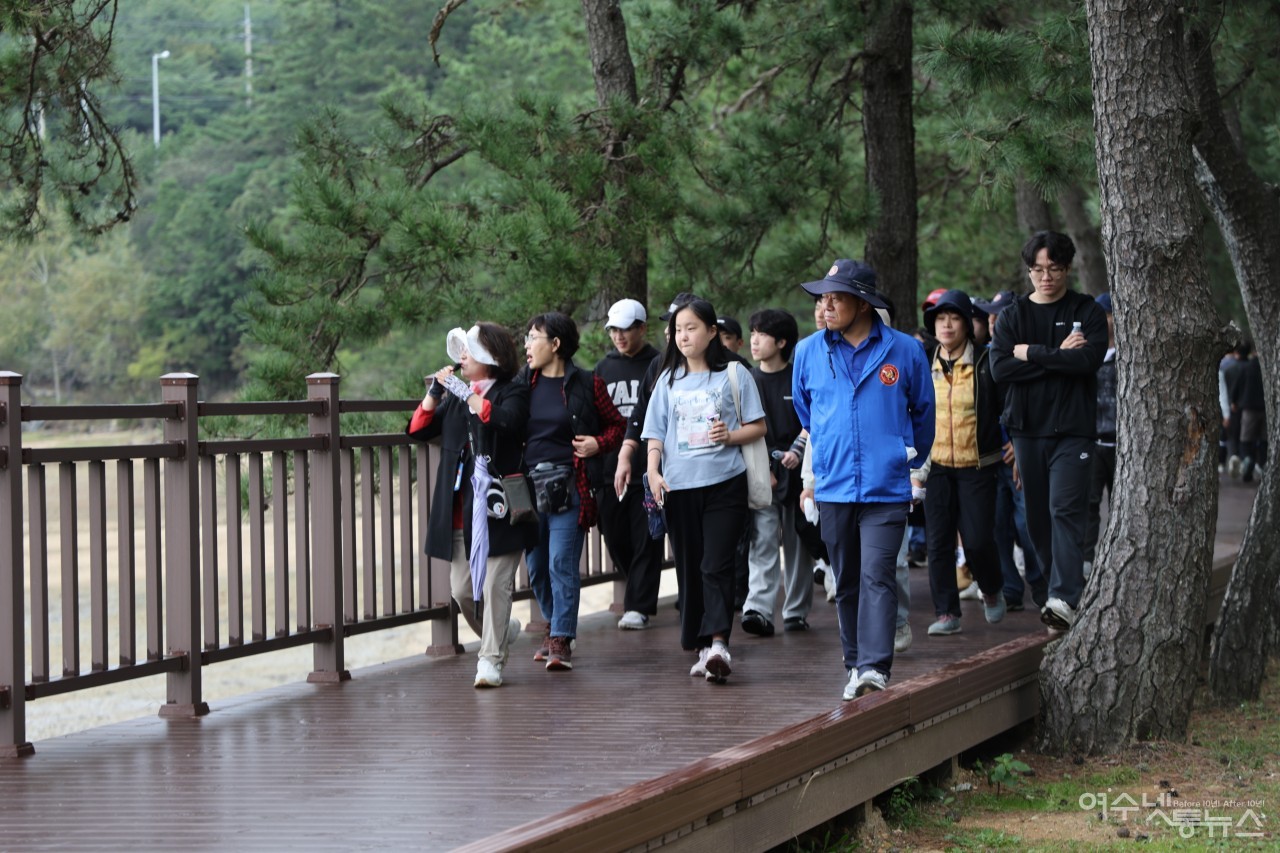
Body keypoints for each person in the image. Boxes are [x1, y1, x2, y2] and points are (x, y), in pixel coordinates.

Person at [793, 259, 934, 700]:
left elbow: (924, 414)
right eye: (823, 297)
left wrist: (904, 458)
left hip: (886, 486)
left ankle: (874, 666)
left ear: (864, 302)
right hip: (834, 485)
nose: (825, 305)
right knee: (847, 577)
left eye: (836, 296)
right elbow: (806, 411)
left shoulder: (904, 350)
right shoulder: (808, 351)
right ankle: (855, 662)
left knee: (877, 573)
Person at [643, 298, 766, 684]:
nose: (683, 336)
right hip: (680, 488)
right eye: (678, 329)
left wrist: (729, 436)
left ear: (712, 331)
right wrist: (652, 470)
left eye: (692, 327)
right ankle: (701, 648)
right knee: (690, 568)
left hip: (725, 484)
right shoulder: (667, 380)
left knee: (716, 564)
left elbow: (758, 426)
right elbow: (655, 433)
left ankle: (718, 643)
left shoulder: (734, 373)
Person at [990, 231, 1107, 631]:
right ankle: (1054, 596)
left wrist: (1033, 353)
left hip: (1073, 431)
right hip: (1026, 431)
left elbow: (1088, 361)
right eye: (1038, 270)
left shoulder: (1086, 310)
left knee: (1066, 510)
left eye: (1054, 269)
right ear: (1029, 272)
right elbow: (1000, 369)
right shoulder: (1013, 316)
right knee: (1037, 519)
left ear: (1067, 269)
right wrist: (1060, 356)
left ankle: (1063, 596)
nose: (1046, 277)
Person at [406, 323, 533, 689]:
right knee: (463, 592)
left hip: (502, 508)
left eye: (469, 352)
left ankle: (490, 660)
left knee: (495, 585)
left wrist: (465, 393)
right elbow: (417, 430)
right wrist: (434, 393)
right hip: (462, 512)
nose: (461, 358)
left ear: (490, 358)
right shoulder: (456, 399)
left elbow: (506, 420)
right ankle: (502, 631)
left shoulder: (513, 391)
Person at [521, 311, 626, 670]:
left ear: (555, 344)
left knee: (560, 563)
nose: (527, 345)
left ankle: (562, 638)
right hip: (528, 488)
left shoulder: (586, 382)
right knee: (535, 567)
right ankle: (554, 626)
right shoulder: (525, 383)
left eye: (534, 337)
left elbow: (618, 425)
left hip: (570, 484)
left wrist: (598, 443)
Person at [918, 290, 1007, 636]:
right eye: (941, 319)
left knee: (978, 539)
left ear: (968, 325)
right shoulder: (924, 360)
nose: (947, 325)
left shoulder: (987, 360)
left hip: (978, 464)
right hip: (935, 464)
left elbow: (1005, 404)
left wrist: (1010, 440)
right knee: (938, 541)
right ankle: (946, 613)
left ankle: (991, 586)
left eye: (954, 318)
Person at [740, 308, 813, 636]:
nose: (754, 340)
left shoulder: (799, 375)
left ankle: (796, 611)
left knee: (798, 543)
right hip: (761, 474)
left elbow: (812, 422)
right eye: (752, 333)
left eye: (762, 334)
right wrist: (764, 467)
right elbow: (744, 429)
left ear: (782, 341)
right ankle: (758, 609)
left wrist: (796, 453)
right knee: (763, 540)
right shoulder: (747, 379)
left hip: (798, 474)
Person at [593, 299, 664, 629]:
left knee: (647, 540)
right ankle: (636, 591)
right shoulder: (602, 369)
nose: (619, 336)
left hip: (649, 469)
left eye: (626, 329)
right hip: (610, 468)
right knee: (614, 534)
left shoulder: (660, 364)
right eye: (613, 330)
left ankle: (638, 605)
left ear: (642, 328)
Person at [973, 290, 1046, 611]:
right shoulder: (983, 356)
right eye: (989, 315)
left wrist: (1020, 443)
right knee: (996, 527)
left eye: (999, 315)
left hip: (1022, 452)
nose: (991, 321)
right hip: (988, 458)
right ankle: (1010, 591)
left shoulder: (1030, 354)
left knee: (1028, 524)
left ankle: (1045, 591)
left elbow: (1040, 404)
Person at [1082, 292, 1117, 575]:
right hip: (1092, 442)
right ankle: (1085, 563)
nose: (1107, 322)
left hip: (1123, 446)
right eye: (1103, 316)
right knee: (1088, 506)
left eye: (1110, 316)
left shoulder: (1130, 358)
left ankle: (1118, 561)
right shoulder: (1086, 357)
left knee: (1122, 507)